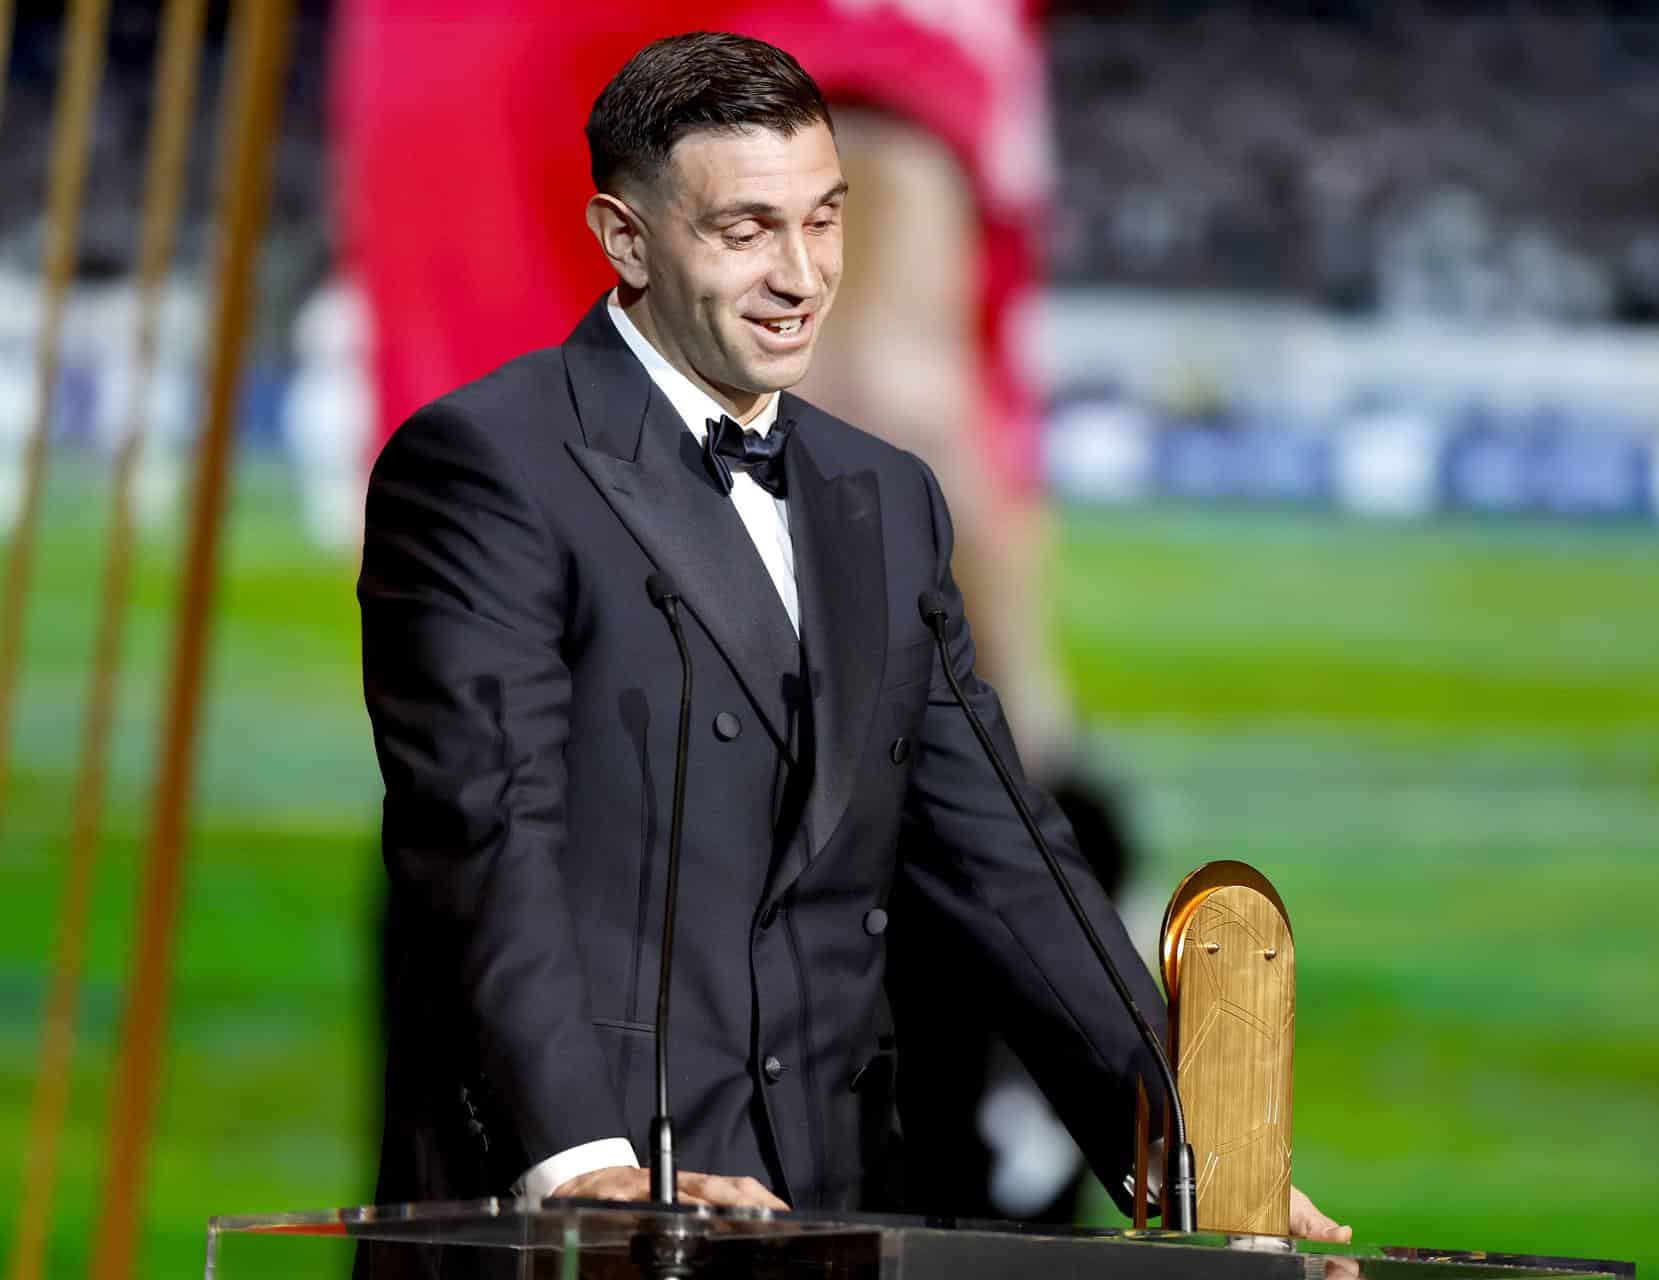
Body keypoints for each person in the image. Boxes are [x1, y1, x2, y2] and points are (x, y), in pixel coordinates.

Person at [359, 30, 1348, 1241]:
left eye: (824, 224)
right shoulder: (489, 459)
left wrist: (1181, 1151)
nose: (800, 275)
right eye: (748, 232)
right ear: (627, 239)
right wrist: (581, 1155)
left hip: (819, 1149)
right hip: (581, 1126)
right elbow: (494, 829)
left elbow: (989, 841)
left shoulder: (877, 498)